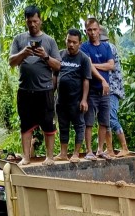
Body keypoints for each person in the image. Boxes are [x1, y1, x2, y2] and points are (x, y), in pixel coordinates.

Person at [9, 6, 61, 165]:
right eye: (29, 21)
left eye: (35, 21)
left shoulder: (49, 41)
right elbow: (11, 62)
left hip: (45, 90)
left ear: (40, 21)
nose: (32, 24)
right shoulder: (19, 40)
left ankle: (50, 157)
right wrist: (23, 53)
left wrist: (45, 56)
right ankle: (26, 157)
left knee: (48, 124)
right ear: (25, 21)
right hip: (25, 90)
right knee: (25, 124)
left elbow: (58, 66)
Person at [54, 28, 91, 162]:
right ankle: (63, 153)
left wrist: (84, 100)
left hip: (76, 101)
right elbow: (55, 76)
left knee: (79, 126)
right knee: (63, 126)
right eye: (69, 41)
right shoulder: (60, 55)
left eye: (74, 42)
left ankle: (76, 153)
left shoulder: (84, 59)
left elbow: (86, 80)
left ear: (80, 43)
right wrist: (51, 94)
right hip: (61, 100)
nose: (71, 45)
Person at [81, 18, 114, 159]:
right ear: (86, 31)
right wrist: (100, 73)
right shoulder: (84, 47)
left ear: (99, 30)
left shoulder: (106, 47)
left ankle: (100, 150)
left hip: (104, 91)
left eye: (95, 29)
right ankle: (89, 150)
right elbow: (88, 67)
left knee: (104, 122)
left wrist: (93, 64)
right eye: (90, 30)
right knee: (89, 122)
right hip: (91, 89)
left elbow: (111, 65)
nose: (93, 32)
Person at [101, 28, 129, 156]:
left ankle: (124, 147)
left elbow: (109, 66)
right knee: (104, 119)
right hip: (104, 89)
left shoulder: (109, 47)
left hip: (112, 89)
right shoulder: (103, 47)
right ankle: (110, 149)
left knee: (111, 118)